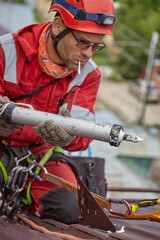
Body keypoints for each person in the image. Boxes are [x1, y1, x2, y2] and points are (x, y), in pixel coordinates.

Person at [0, 0, 115, 224]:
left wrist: (69, 137)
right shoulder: (6, 51)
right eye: (82, 43)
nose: (88, 54)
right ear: (59, 26)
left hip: (40, 153)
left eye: (96, 46)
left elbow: (82, 135)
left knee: (70, 208)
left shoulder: (88, 74)